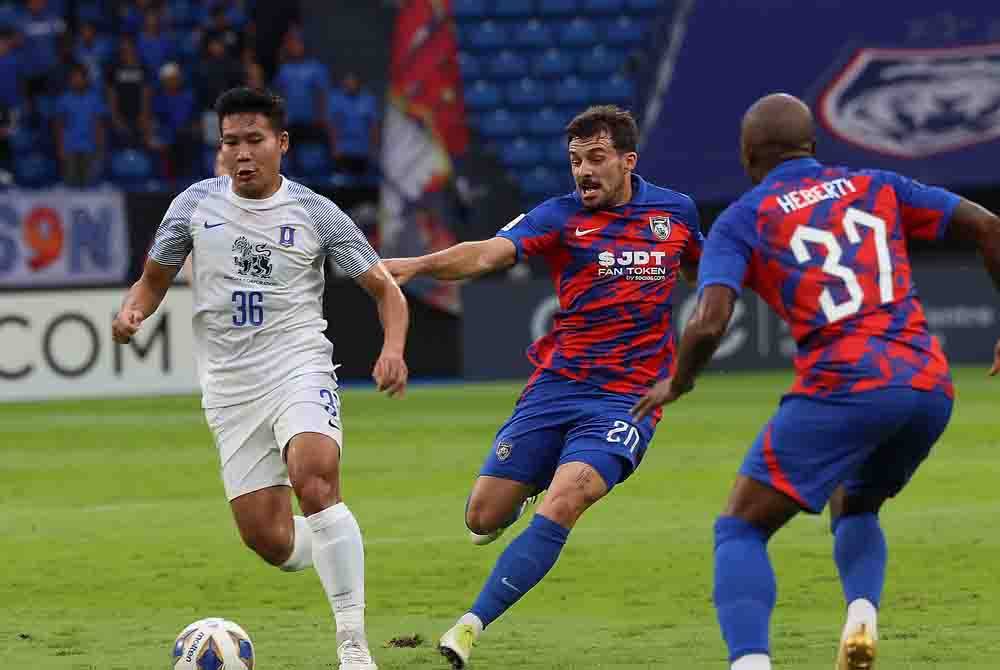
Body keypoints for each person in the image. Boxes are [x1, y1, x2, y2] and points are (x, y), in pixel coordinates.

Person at [631, 93, 1000, 670]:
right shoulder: (878, 184)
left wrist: (678, 382)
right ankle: (861, 613)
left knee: (740, 529)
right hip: (928, 383)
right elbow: (988, 226)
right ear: (813, 147)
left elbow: (708, 320)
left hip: (844, 384)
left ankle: (750, 663)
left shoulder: (744, 216)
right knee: (855, 502)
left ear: (748, 155)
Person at [384, 105, 703, 668]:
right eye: (575, 160)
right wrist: (419, 264)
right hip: (556, 387)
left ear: (628, 162)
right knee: (482, 518)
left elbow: (705, 277)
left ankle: (468, 626)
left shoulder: (675, 214)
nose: (583, 171)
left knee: (569, 496)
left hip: (629, 398)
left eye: (596, 158)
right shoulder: (558, 217)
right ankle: (531, 479)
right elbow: (485, 253)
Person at [112, 87, 409, 670]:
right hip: (229, 386)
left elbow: (385, 290)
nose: (242, 154)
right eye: (231, 143)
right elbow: (151, 279)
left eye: (254, 141)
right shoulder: (193, 207)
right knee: (267, 539)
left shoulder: (316, 213)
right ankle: (333, 542)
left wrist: (393, 348)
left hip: (298, 364)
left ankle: (353, 645)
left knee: (315, 478)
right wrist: (132, 313)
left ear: (282, 143)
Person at [55, 63, 106, 187]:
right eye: (73, 78)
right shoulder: (63, 99)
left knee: (89, 185)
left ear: (85, 79)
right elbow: (58, 126)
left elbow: (99, 125)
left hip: (90, 147)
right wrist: (60, 147)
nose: (76, 81)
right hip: (69, 148)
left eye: (79, 77)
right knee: (70, 185)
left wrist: (100, 148)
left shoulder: (95, 98)